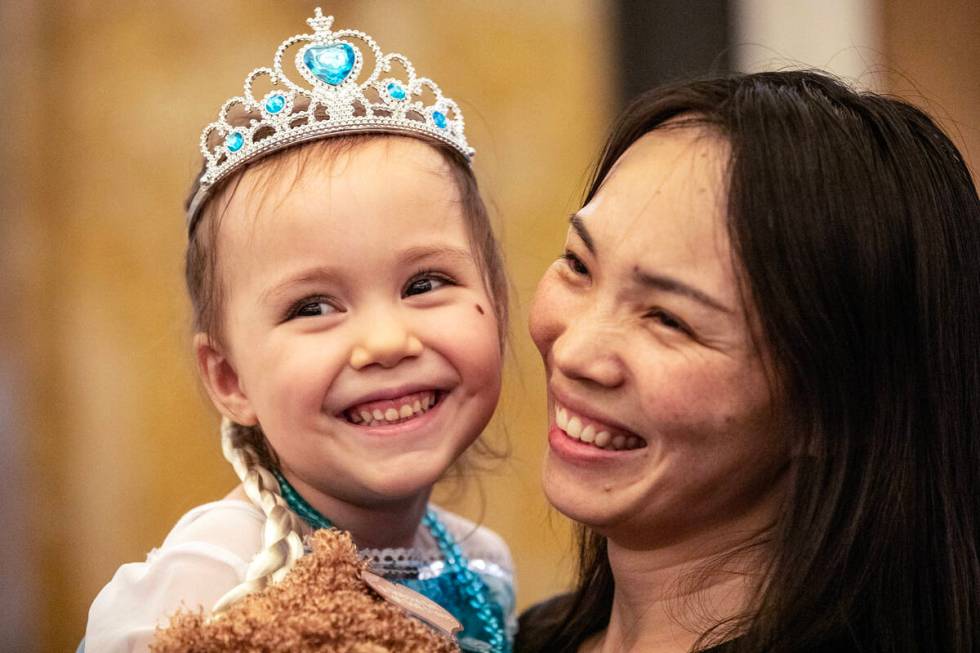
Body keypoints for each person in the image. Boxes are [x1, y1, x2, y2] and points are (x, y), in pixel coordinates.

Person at [84, 9, 514, 653]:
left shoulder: (485, 564)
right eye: (312, 307)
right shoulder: (204, 578)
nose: (386, 341)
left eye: (424, 285)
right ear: (231, 379)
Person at [517, 70, 979, 652]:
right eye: (579, 265)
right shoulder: (511, 634)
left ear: (834, 410)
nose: (574, 350)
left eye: (668, 319)